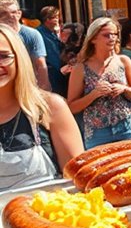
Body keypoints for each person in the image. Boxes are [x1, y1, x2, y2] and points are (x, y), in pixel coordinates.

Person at [0, 24, 83, 190]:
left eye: (3, 56)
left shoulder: (50, 107)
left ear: (19, 58)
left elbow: (78, 179)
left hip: (45, 213)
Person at [67, 18, 131, 149]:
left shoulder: (123, 61)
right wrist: (94, 95)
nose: (112, 38)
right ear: (93, 39)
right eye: (106, 35)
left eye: (114, 34)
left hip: (127, 126)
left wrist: (124, 89)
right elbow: (72, 107)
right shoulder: (80, 68)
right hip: (97, 132)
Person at [0, 0, 49, 90]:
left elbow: (41, 65)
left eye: (13, 12)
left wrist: (45, 90)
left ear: (19, 14)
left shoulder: (32, 35)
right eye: (4, 13)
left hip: (27, 87)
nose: (10, 16)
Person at [36, 6, 65, 97]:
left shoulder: (53, 32)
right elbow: (53, 56)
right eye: (56, 17)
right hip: (52, 74)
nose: (58, 19)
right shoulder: (40, 34)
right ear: (48, 19)